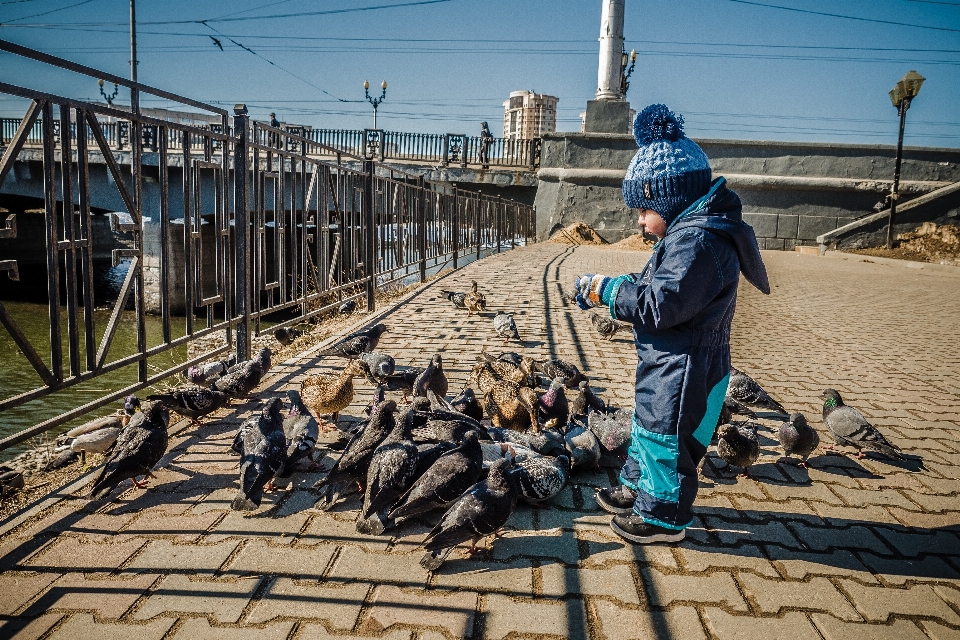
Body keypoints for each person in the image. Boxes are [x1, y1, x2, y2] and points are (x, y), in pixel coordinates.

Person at [573, 104, 770, 544]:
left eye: (644, 210)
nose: (639, 222)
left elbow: (662, 303)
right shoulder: (688, 235)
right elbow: (658, 286)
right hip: (671, 357)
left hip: (685, 363)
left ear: (670, 200)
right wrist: (623, 285)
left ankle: (662, 517)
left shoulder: (698, 242)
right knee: (649, 425)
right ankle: (637, 488)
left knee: (666, 438)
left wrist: (609, 292)